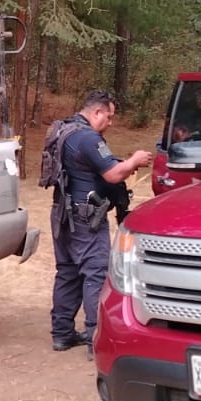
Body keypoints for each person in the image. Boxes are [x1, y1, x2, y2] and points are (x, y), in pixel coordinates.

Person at [50, 90, 152, 354]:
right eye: (109, 116)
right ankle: (97, 338)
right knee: (95, 274)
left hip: (62, 213)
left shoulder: (64, 131)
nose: (111, 122)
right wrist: (134, 160)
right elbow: (113, 174)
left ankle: (61, 334)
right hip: (86, 218)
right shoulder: (87, 137)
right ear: (96, 113)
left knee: (68, 273)